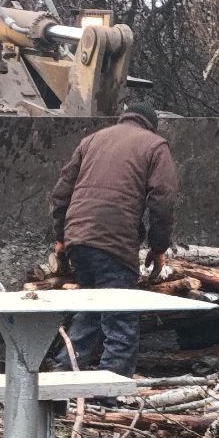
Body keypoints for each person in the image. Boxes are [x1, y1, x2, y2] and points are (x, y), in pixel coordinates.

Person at [50, 99, 177, 377]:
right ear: (150, 125)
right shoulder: (155, 146)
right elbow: (163, 200)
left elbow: (61, 194)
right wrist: (158, 247)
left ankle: (61, 378)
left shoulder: (91, 141)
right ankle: (108, 396)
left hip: (77, 239)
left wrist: (61, 239)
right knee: (121, 319)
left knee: (91, 308)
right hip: (114, 243)